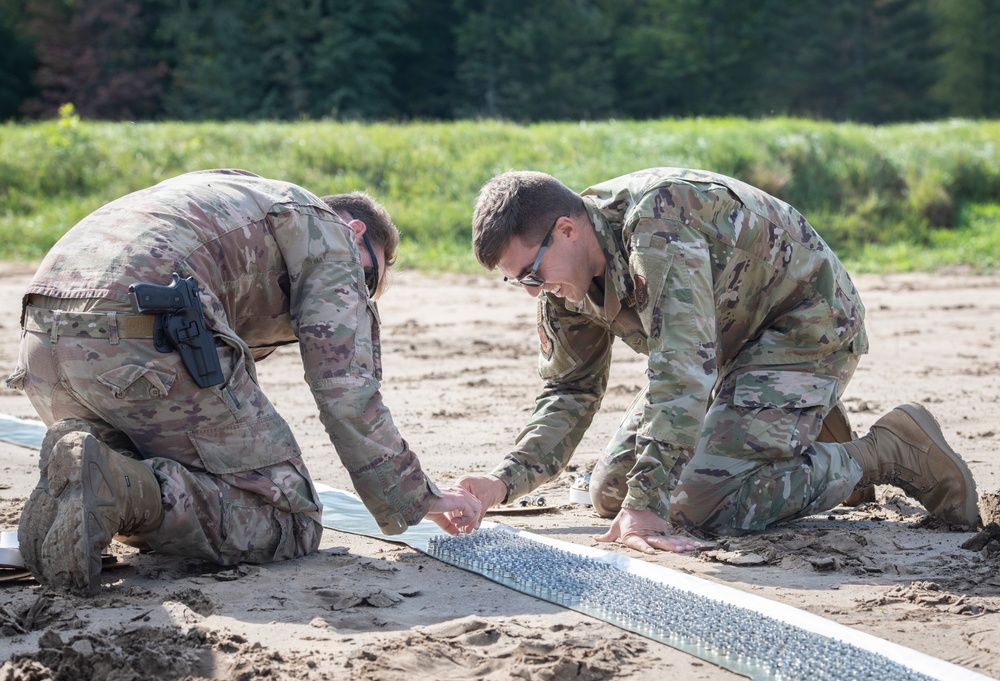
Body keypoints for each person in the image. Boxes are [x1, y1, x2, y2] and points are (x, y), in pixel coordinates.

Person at [459, 167, 979, 555]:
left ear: (567, 230)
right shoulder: (560, 285)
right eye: (516, 281)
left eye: (529, 273)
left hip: (804, 327)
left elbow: (681, 372)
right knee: (612, 492)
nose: (530, 291)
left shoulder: (656, 224)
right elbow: (570, 393)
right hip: (723, 350)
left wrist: (649, 506)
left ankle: (886, 450)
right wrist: (501, 483)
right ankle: (798, 427)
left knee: (695, 504)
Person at [8, 168, 480, 592]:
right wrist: (416, 497)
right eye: (366, 277)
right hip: (140, 337)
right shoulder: (328, 234)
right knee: (288, 517)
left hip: (42, 338)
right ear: (354, 230)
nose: (357, 292)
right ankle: (117, 485)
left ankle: (92, 457)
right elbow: (345, 389)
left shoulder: (238, 195)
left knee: (167, 470)